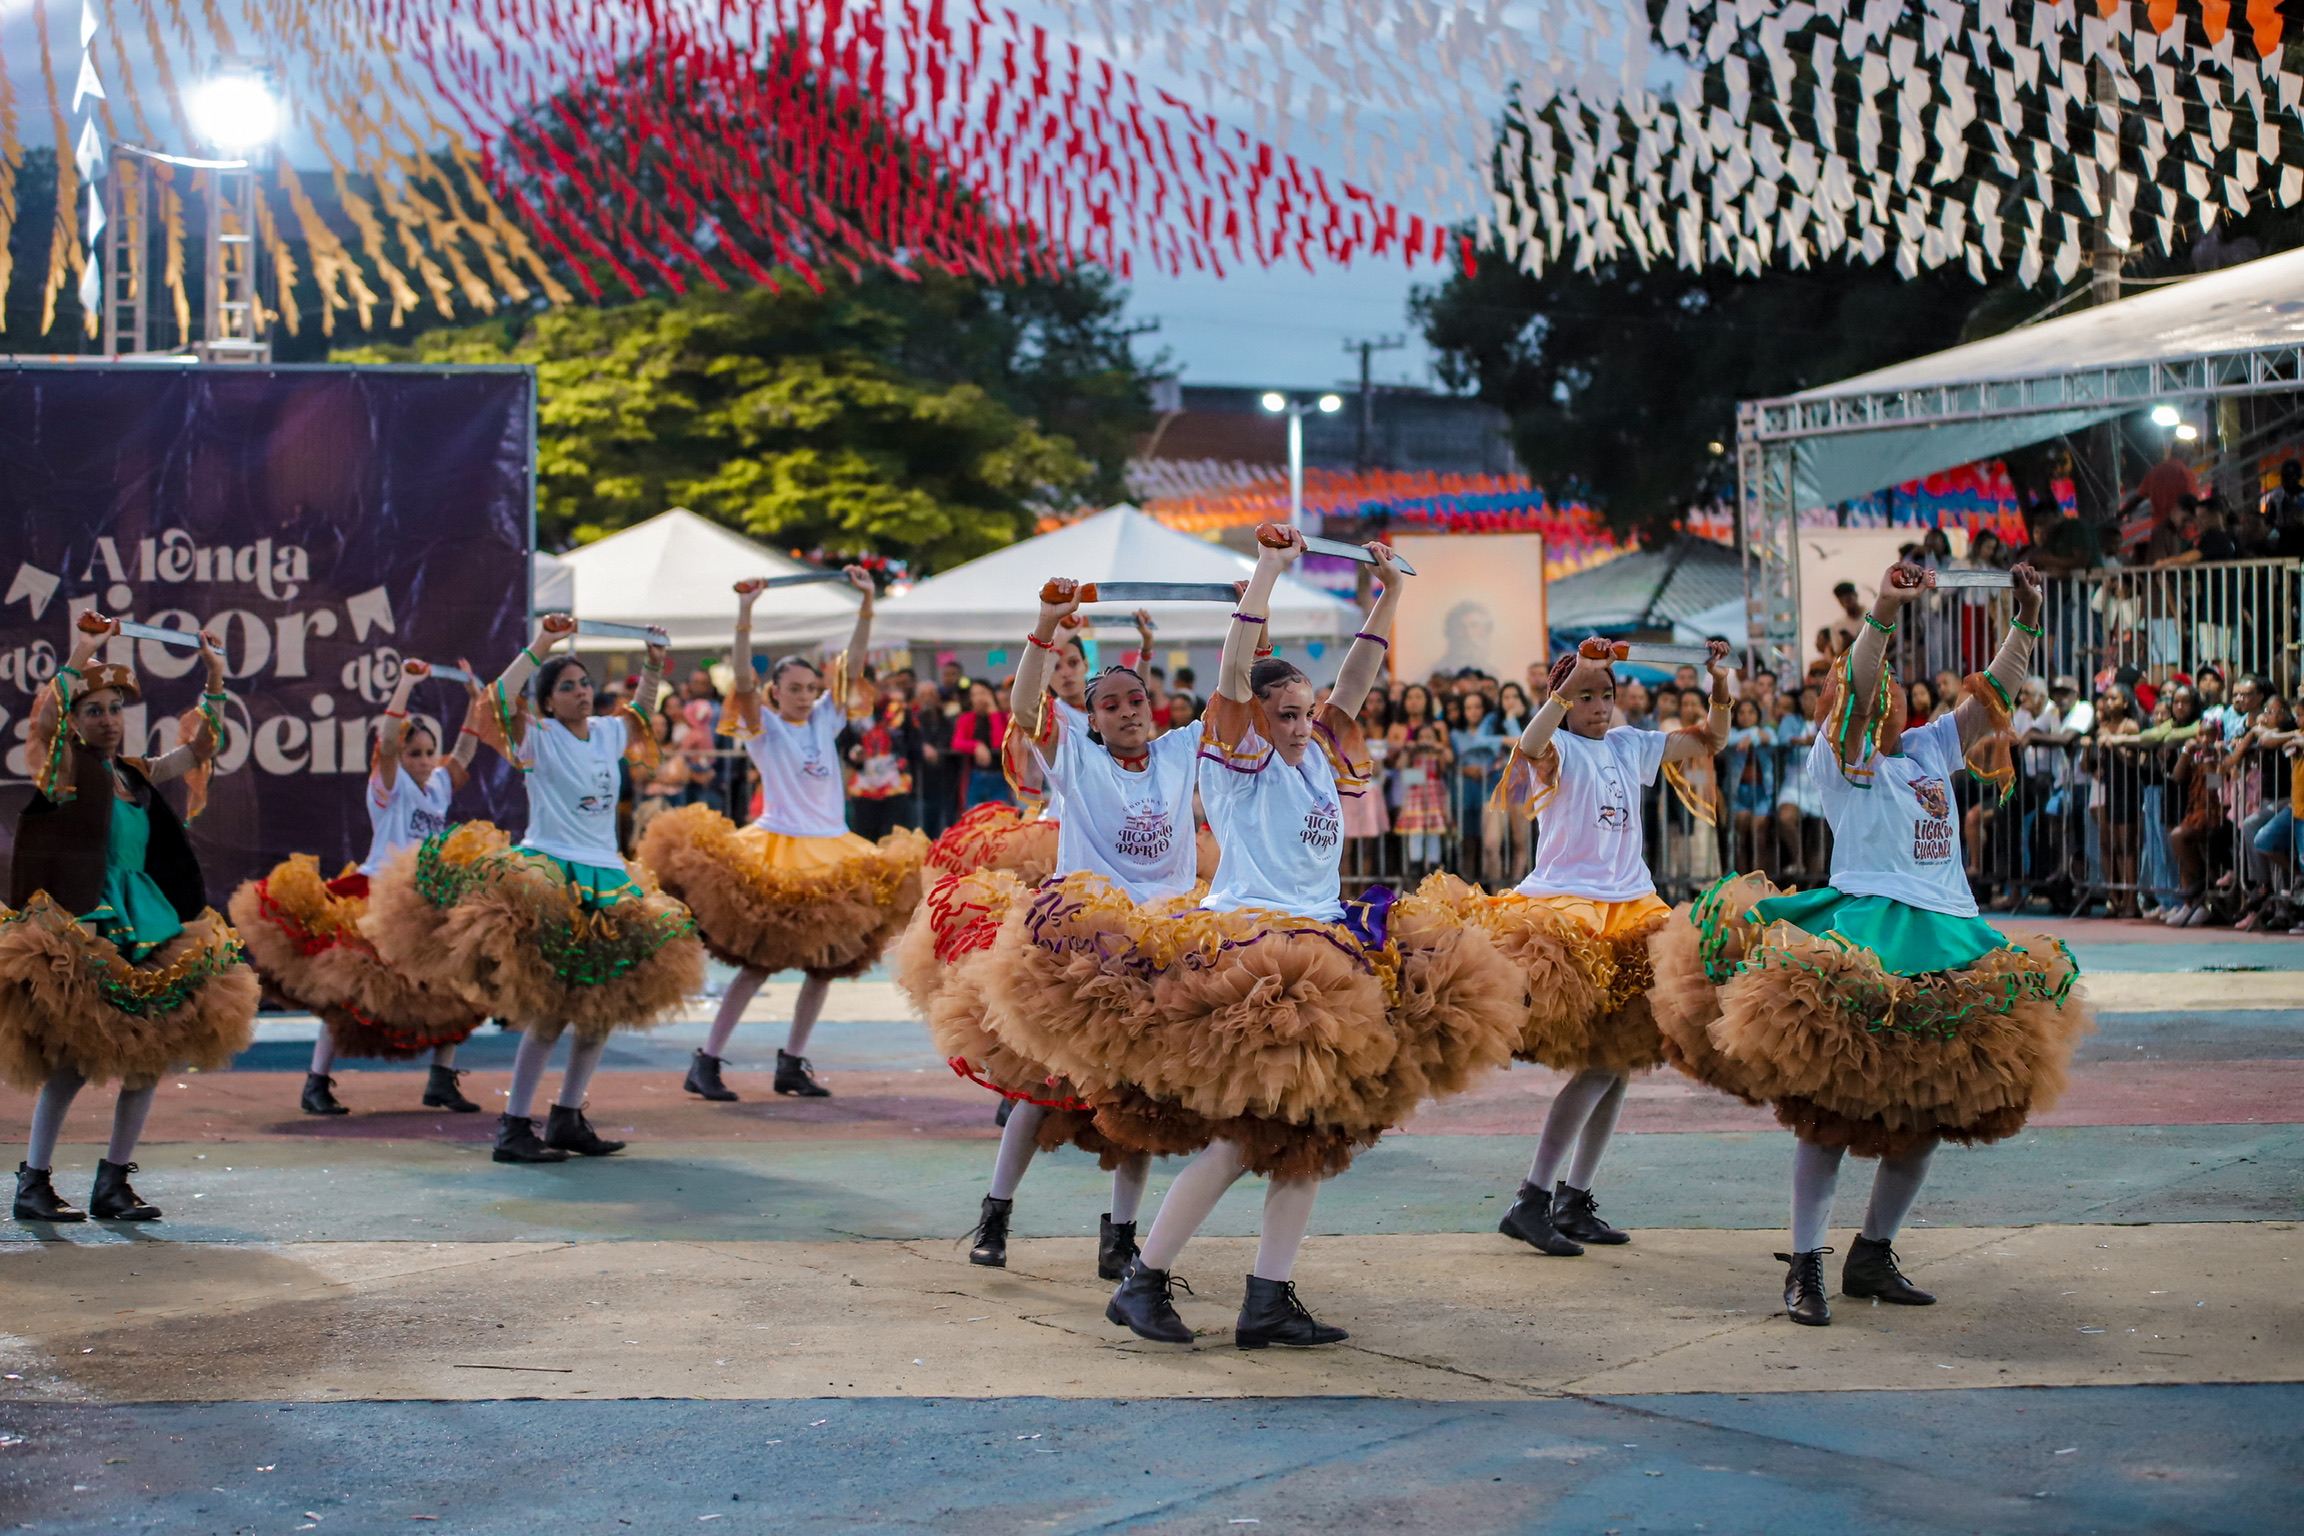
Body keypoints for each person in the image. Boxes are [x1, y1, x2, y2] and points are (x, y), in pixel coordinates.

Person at [1000, 528, 1516, 1348]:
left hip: (1325, 946)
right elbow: (1238, 668)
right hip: (1256, 957)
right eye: (1287, 712)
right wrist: (1270, 572)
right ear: (1253, 715)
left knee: (1309, 1139)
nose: (1304, 723)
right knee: (1248, 1139)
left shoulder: (1315, 754)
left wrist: (1391, 593)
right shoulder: (1234, 753)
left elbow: (1356, 678)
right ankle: (1143, 1280)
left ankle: (1266, 1297)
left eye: (1308, 712)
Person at [1649, 560, 2093, 1327]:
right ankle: (1806, 1263)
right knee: (1830, 1112)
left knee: (1928, 1112)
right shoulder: (1838, 764)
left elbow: (1993, 700)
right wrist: (1885, 610)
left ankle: (1873, 1251)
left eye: (1895, 696)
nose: (1885, 701)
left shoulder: (1924, 752)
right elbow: (1859, 678)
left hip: (1950, 935)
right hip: (1865, 934)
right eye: (1870, 695)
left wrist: (2026, 614)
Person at [901, 580, 1204, 1282]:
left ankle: (1120, 1235)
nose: (1128, 711)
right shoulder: (1076, 752)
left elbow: (1239, 693)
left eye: (1136, 699)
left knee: (1140, 1101)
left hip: (1167, 948)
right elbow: (1022, 704)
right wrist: (1044, 624)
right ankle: (997, 1211)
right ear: (1089, 718)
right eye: (1111, 704)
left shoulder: (1181, 750)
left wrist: (1260, 590)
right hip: (1085, 952)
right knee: (1044, 1091)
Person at [367, 614, 705, 1164]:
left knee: (600, 1009)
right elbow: (494, 703)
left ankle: (568, 1116)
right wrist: (542, 644)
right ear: (547, 702)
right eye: (567, 686)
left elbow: (641, 711)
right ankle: (514, 1125)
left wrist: (652, 660)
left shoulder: (606, 733)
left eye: (584, 683)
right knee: (551, 1011)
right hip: (550, 877)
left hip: (609, 880)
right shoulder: (536, 736)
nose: (581, 692)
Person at [1469, 635, 1730, 1256]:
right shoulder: (1556, 743)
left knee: (1621, 1064)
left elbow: (1708, 741)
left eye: (1605, 694)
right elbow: (1528, 745)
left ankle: (1571, 1198)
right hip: (1572, 911)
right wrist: (1566, 689)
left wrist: (1719, 685)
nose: (1599, 706)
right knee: (1600, 1065)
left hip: (1634, 907)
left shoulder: (1626, 744)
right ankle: (1533, 1197)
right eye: (1587, 695)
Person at [638, 572, 928, 1102]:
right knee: (759, 963)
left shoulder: (826, 719)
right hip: (778, 847)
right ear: (775, 692)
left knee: (827, 964)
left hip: (834, 849)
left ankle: (792, 1061)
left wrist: (867, 602)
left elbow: (856, 664)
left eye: (810, 688)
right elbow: (742, 684)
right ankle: (707, 1059)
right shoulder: (764, 726)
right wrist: (746, 613)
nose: (803, 696)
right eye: (793, 688)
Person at [7, 613, 257, 1223]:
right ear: (77, 721)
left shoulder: (136, 773)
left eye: (115, 708)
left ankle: (113, 1182)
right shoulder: (67, 772)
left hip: (149, 922)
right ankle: (33, 1181)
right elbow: (45, 723)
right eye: (94, 709)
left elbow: (201, 748)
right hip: (90, 924)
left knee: (150, 1055)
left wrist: (215, 676)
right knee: (73, 1059)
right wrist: (81, 652)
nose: (108, 719)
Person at [230, 659, 489, 1118]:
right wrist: (406, 685)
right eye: (416, 754)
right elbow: (387, 742)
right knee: (349, 991)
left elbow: (465, 752)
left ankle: (442, 1081)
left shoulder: (438, 786)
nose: (425, 760)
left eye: (429, 752)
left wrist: (474, 703)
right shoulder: (388, 787)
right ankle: (316, 1082)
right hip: (375, 898)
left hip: (427, 899)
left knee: (458, 987)